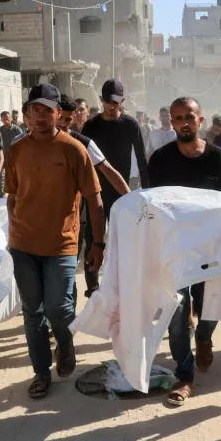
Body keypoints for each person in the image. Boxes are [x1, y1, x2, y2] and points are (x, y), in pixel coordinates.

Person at [5, 83, 106, 398]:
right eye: (34, 109)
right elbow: (12, 196)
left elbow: (95, 198)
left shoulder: (74, 149)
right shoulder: (17, 149)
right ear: (28, 113)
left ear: (58, 113)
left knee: (59, 309)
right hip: (23, 245)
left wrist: (98, 244)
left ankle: (64, 343)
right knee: (32, 311)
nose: (40, 116)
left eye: (47, 110)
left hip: (62, 244)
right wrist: (16, 230)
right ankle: (40, 373)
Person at [147, 97, 221, 406]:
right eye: (178, 117)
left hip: (209, 248)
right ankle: (184, 375)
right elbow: (151, 205)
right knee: (177, 312)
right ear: (172, 123)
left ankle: (205, 336)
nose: (184, 122)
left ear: (201, 121)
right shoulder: (159, 159)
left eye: (190, 117)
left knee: (210, 305)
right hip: (174, 249)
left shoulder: (217, 157)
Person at [81, 79, 149, 295]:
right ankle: (92, 285)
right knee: (92, 237)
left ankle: (121, 283)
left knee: (123, 237)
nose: (112, 106)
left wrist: (147, 191)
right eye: (108, 101)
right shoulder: (91, 126)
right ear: (101, 100)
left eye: (116, 102)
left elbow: (141, 158)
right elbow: (82, 160)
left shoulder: (130, 125)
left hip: (122, 192)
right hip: (94, 191)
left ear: (123, 101)